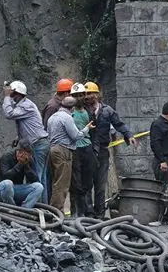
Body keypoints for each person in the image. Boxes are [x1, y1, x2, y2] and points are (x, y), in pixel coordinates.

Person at [83, 81, 136, 219]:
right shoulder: (81, 111)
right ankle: (88, 213)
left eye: (90, 93)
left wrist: (128, 135)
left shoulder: (107, 111)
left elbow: (119, 124)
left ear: (97, 94)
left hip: (102, 151)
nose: (88, 96)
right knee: (87, 183)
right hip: (87, 151)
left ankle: (99, 213)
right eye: (86, 94)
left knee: (100, 185)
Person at [2, 80, 51, 204]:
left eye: (13, 94)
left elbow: (9, 114)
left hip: (37, 144)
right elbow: (30, 125)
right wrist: (19, 137)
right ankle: (43, 207)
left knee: (36, 177)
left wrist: (7, 96)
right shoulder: (25, 105)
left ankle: (38, 208)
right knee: (41, 178)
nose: (11, 97)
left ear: (18, 94)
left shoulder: (26, 105)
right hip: (39, 142)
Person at [47, 96, 94, 211]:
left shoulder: (53, 117)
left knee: (56, 181)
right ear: (72, 108)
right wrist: (86, 128)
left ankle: (54, 211)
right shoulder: (67, 118)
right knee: (62, 184)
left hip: (52, 149)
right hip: (63, 151)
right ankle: (56, 212)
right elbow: (76, 136)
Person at [69, 83, 97, 217]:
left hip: (87, 148)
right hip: (74, 149)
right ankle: (76, 212)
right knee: (75, 182)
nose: (78, 98)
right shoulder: (68, 113)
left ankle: (88, 211)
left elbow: (94, 132)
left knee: (88, 180)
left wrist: (94, 149)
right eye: (75, 96)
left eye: (80, 95)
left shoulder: (89, 112)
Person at [0, 139, 44, 208]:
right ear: (18, 151)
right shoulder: (7, 157)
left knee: (39, 187)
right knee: (8, 183)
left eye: (27, 154)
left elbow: (34, 179)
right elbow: (5, 176)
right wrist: (19, 165)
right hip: (0, 189)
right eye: (23, 153)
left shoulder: (28, 159)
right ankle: (12, 208)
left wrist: (26, 166)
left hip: (16, 190)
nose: (25, 156)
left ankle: (25, 210)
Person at [150, 102, 168, 187]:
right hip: (163, 162)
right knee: (164, 188)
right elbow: (155, 144)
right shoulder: (157, 124)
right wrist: (162, 161)